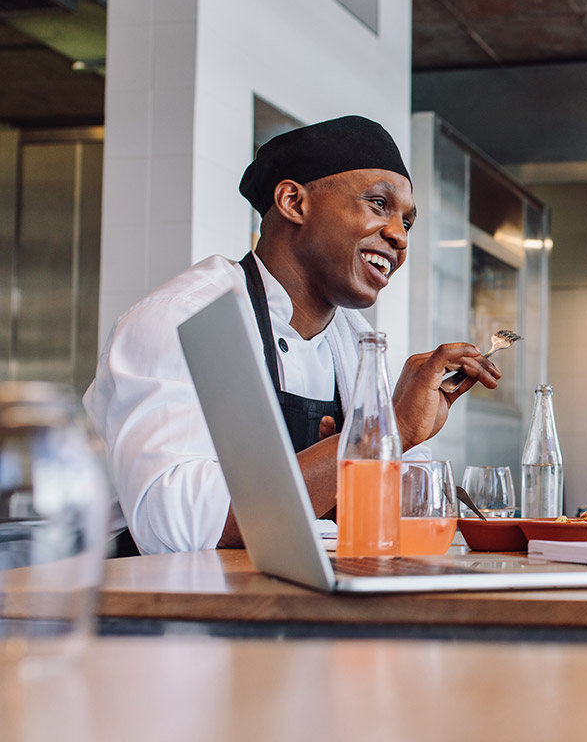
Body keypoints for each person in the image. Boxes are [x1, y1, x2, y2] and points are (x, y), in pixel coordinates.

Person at [84, 116, 500, 555]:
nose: (398, 236)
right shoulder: (184, 319)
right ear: (293, 202)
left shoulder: (357, 344)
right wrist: (385, 431)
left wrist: (407, 438)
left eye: (407, 223)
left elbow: (404, 519)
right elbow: (175, 528)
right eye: (379, 204)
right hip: (151, 606)